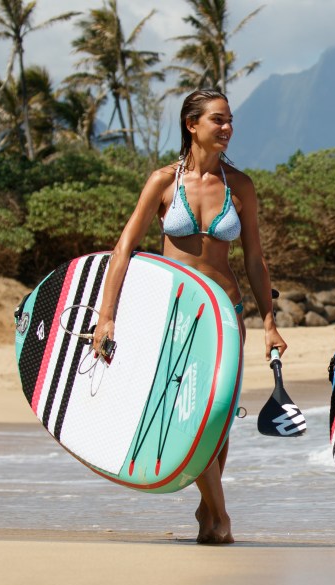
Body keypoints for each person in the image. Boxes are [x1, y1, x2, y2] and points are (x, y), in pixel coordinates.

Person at [93, 89, 286, 544]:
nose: (227, 127)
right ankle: (220, 514)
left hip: (226, 314)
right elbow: (124, 249)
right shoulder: (163, 182)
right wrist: (106, 316)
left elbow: (255, 259)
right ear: (191, 124)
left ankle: (208, 511)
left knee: (218, 416)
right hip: (175, 316)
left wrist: (270, 322)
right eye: (218, 119)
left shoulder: (240, 186)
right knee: (190, 412)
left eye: (230, 120)